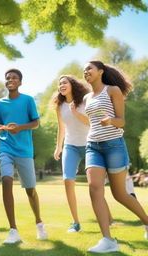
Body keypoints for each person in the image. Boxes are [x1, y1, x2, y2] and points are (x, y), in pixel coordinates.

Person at [83, 60, 148, 253]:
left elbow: (121, 122)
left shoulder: (113, 91)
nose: (85, 72)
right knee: (94, 188)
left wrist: (110, 120)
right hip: (92, 146)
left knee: (119, 194)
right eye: (84, 70)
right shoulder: (87, 97)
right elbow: (92, 122)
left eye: (89, 68)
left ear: (100, 72)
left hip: (114, 147)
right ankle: (108, 240)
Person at [0, 68, 48, 244]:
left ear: (20, 82)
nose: (10, 80)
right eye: (8, 77)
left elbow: (36, 123)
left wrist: (20, 127)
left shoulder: (28, 100)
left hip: (24, 150)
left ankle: (39, 222)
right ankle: (13, 230)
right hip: (6, 147)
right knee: (6, 180)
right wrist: (0, 128)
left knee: (30, 190)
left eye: (14, 78)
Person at [53, 75, 90, 233]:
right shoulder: (60, 106)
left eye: (64, 83)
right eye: (59, 84)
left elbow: (90, 122)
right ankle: (75, 222)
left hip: (90, 144)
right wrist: (58, 147)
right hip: (70, 146)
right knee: (67, 180)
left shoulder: (84, 101)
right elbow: (61, 128)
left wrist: (75, 112)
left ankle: (106, 216)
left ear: (72, 85)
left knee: (95, 184)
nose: (61, 85)